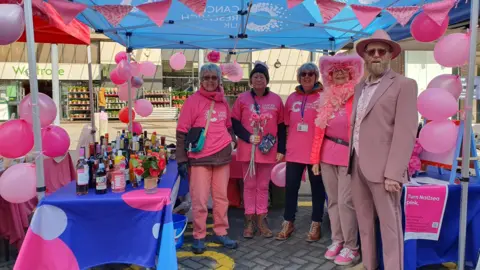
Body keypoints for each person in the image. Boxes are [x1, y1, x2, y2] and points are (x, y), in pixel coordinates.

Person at [349, 29, 418, 270]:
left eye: (381, 51)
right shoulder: (359, 88)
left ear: (389, 55)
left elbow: (406, 131)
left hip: (384, 170)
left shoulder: (404, 85)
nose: (376, 55)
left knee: (390, 227)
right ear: (365, 57)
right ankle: (369, 265)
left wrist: (393, 173)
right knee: (364, 224)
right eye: (371, 52)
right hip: (356, 165)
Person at [176, 63, 238, 254]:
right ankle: (199, 235)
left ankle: (221, 231)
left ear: (219, 80)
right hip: (199, 157)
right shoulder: (192, 101)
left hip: (222, 157)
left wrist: (232, 140)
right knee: (200, 200)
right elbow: (181, 131)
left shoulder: (223, 101)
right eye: (206, 77)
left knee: (221, 199)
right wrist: (181, 159)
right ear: (201, 80)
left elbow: (228, 125)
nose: (210, 81)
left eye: (214, 77)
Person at [310, 53, 364, 266]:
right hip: (327, 155)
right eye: (335, 70)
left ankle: (352, 247)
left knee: (345, 202)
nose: (339, 73)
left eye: (344, 69)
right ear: (329, 75)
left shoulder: (358, 95)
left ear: (351, 72)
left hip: (349, 156)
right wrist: (314, 159)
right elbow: (318, 131)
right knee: (332, 201)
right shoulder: (326, 97)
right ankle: (337, 240)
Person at [231, 61, 286, 239]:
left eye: (262, 76)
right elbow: (235, 123)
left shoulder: (276, 100)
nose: (259, 79)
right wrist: (247, 137)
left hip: (268, 150)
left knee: (263, 186)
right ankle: (249, 220)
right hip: (248, 150)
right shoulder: (242, 99)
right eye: (255, 76)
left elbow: (282, 125)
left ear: (267, 80)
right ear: (251, 80)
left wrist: (282, 149)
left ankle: (262, 219)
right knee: (249, 185)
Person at [276, 62, 326, 242]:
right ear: (298, 77)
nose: (307, 76)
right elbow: (285, 125)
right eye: (303, 74)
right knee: (291, 189)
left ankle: (316, 223)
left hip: (315, 154)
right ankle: (288, 222)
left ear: (316, 76)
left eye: (311, 73)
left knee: (317, 190)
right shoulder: (291, 98)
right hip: (295, 152)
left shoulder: (324, 97)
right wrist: (283, 149)